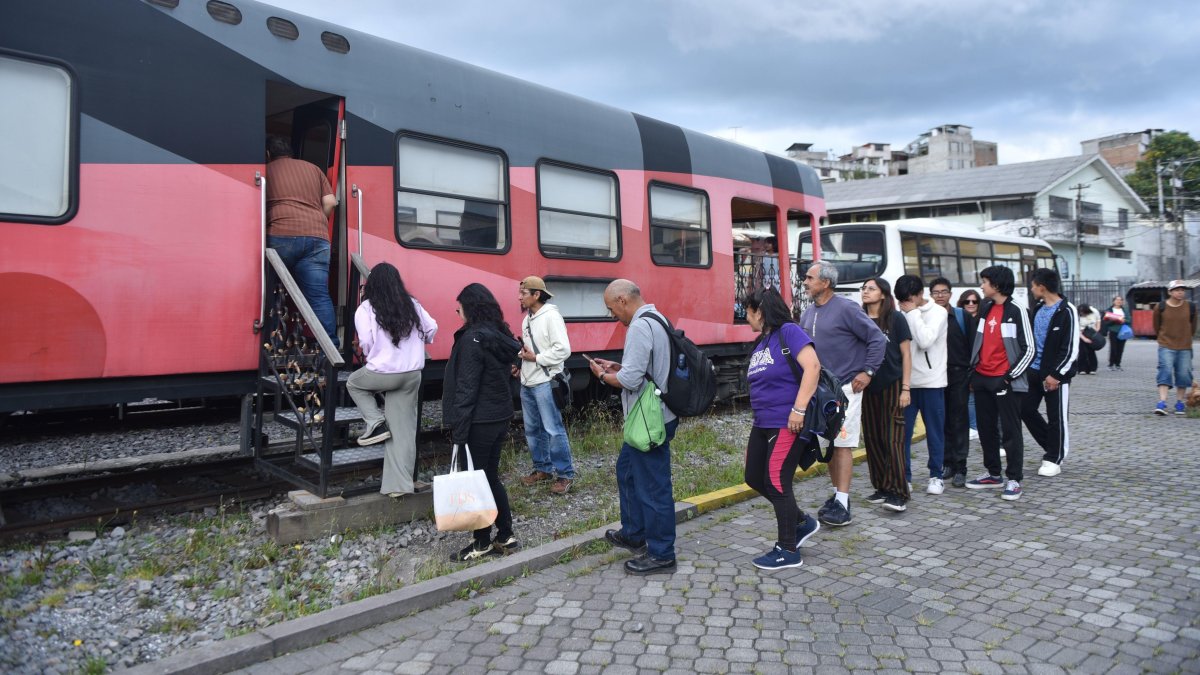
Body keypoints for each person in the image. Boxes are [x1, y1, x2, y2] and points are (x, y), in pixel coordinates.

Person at [589, 280, 679, 575]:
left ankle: (662, 554)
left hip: (649, 421)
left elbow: (629, 381)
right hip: (656, 415)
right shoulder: (658, 318)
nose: (612, 314)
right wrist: (619, 367)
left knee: (653, 487)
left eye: (611, 308)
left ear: (623, 300)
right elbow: (642, 370)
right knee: (627, 471)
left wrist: (602, 375)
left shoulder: (640, 326)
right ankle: (634, 533)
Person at [798, 261, 887, 527]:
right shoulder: (808, 312)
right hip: (820, 391)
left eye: (809, 278)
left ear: (825, 283)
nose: (805, 282)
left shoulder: (847, 308)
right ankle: (837, 496)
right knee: (829, 444)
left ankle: (844, 503)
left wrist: (868, 371)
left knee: (843, 444)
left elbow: (877, 339)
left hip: (846, 388)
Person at [741, 288, 822, 569]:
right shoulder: (762, 342)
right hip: (763, 423)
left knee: (776, 482)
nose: (746, 318)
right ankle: (800, 522)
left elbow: (813, 367)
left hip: (787, 421)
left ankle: (788, 549)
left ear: (760, 311)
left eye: (748, 312)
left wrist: (798, 409)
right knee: (754, 476)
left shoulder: (790, 332)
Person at [443, 283, 521, 562]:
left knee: (476, 481)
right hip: (499, 416)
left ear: (470, 308)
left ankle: (481, 541)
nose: (458, 313)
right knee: (490, 477)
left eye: (459, 308)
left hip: (479, 419)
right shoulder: (499, 334)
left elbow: (467, 387)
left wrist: (459, 430)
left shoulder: (471, 339)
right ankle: (506, 535)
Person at [347, 263, 437, 498]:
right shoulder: (412, 304)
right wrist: (419, 344)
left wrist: (375, 355)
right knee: (403, 431)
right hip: (412, 374)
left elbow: (366, 341)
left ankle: (375, 422)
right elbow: (431, 328)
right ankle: (399, 487)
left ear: (372, 285)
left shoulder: (365, 308)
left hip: (383, 373)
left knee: (354, 383)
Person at [966, 266, 1034, 501]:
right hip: (982, 377)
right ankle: (993, 474)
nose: (981, 286)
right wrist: (973, 372)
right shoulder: (986, 308)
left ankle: (1014, 479)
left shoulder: (1017, 310)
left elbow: (1030, 349)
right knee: (986, 429)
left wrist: (1009, 377)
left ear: (996, 284)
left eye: (984, 282)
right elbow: (979, 341)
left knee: (1011, 431)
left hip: (1005, 380)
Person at [265, 136, 339, 346]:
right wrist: (316, 222)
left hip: (280, 234)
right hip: (317, 238)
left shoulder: (266, 170)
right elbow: (330, 202)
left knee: (273, 291)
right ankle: (329, 349)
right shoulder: (313, 169)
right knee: (318, 296)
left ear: (268, 154)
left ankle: (274, 345)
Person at [516, 276, 577, 494]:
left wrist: (536, 358)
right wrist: (520, 363)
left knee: (553, 429)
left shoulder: (551, 316)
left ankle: (565, 474)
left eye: (524, 293)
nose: (519, 297)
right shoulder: (527, 319)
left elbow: (563, 350)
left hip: (545, 381)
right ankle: (542, 469)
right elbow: (531, 349)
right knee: (533, 429)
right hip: (528, 381)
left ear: (536, 295)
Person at [859, 278, 912, 512]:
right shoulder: (858, 318)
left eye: (871, 288)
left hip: (893, 383)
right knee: (873, 438)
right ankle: (882, 486)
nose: (865, 292)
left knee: (893, 439)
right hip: (866, 385)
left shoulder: (896, 318)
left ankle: (899, 492)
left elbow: (906, 355)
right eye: (864, 288)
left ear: (883, 294)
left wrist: (906, 388)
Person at [1020, 268, 1078, 478]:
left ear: (1042, 287)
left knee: (1057, 418)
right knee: (1025, 409)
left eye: (1033, 285)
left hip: (1055, 376)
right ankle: (1052, 445)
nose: (1031, 289)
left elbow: (1070, 348)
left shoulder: (1067, 310)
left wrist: (1057, 374)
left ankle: (1054, 458)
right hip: (1033, 372)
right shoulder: (1037, 308)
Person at [894, 275, 948, 496]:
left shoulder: (938, 312)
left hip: (932, 382)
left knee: (935, 433)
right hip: (906, 383)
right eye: (901, 301)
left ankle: (936, 475)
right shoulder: (901, 313)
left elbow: (925, 340)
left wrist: (913, 313)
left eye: (908, 299)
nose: (904, 305)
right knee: (903, 434)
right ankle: (904, 477)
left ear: (919, 295)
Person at [932, 278, 976, 488]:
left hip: (959, 375)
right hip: (935, 376)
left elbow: (974, 345)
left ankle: (960, 468)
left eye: (944, 292)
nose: (940, 295)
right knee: (941, 421)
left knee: (959, 421)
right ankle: (947, 463)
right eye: (936, 292)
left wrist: (972, 375)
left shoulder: (961, 316)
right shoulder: (928, 316)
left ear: (950, 294)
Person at [1153, 280, 1198, 416]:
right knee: (1165, 371)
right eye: (1177, 290)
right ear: (1170, 292)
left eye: (1182, 290)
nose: (1180, 292)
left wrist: (1186, 338)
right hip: (1166, 345)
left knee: (1184, 374)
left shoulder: (1190, 307)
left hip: (1185, 346)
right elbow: (1156, 326)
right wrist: (1163, 338)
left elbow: (1193, 327)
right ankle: (1162, 402)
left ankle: (1179, 403)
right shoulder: (1160, 307)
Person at [958, 289, 983, 441]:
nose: (971, 304)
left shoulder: (981, 320)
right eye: (967, 301)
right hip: (963, 363)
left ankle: (974, 427)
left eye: (975, 301)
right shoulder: (959, 318)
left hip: (979, 363)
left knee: (973, 398)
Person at [1101, 295, 1132, 371]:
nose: (1119, 301)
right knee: (1113, 348)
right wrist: (1115, 320)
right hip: (1113, 331)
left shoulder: (1125, 310)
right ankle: (1111, 364)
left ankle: (1118, 364)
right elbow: (1106, 321)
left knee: (1120, 348)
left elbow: (1129, 320)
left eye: (1120, 300)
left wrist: (1123, 320)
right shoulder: (1109, 310)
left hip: (1123, 332)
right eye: (1117, 300)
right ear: (1113, 301)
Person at [1076, 304, 1100, 375]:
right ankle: (1081, 369)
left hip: (1092, 333)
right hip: (1081, 333)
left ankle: (1093, 368)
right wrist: (1084, 339)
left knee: (1091, 351)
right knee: (1082, 352)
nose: (1083, 314)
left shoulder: (1094, 311)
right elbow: (1077, 329)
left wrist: (1096, 331)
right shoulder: (1077, 316)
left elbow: (1098, 321)